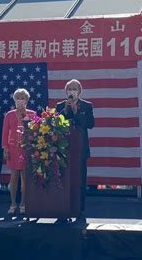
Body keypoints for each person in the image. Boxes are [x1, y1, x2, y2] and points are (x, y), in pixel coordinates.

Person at [56, 79, 95, 218]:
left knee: (80, 179)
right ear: (66, 91)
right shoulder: (60, 105)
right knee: (64, 177)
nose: (72, 92)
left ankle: (80, 207)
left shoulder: (87, 105)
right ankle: (64, 205)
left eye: (75, 89)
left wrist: (76, 112)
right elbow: (57, 124)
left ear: (79, 91)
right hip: (64, 148)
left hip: (80, 148)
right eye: (70, 89)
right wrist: (66, 110)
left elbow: (90, 124)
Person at [2, 89, 35, 215]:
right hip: (12, 149)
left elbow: (35, 132)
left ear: (27, 100)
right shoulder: (9, 115)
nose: (20, 100)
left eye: (22, 98)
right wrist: (5, 149)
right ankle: (12, 203)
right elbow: (5, 133)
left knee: (25, 178)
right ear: (14, 100)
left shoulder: (32, 114)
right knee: (13, 177)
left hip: (26, 150)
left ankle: (23, 203)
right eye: (18, 98)